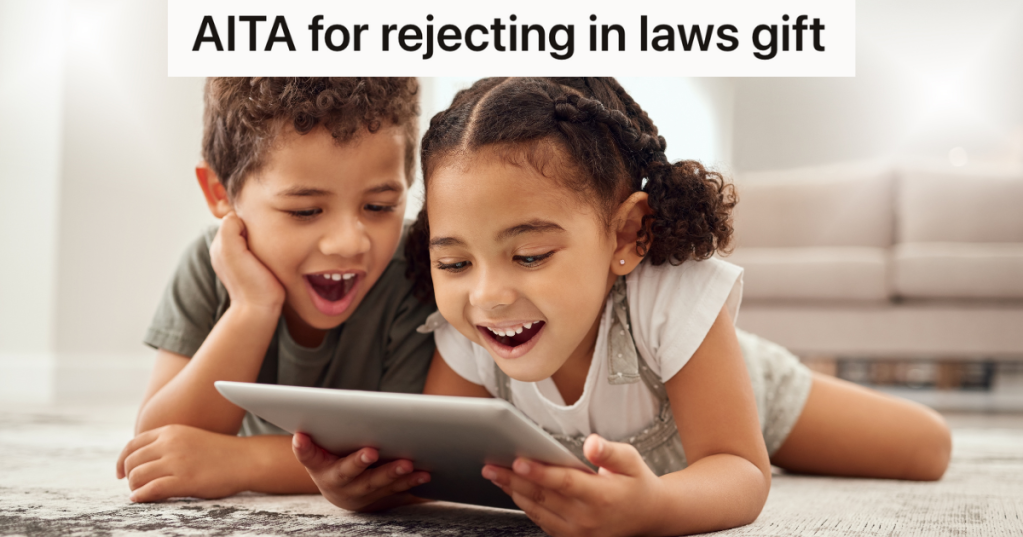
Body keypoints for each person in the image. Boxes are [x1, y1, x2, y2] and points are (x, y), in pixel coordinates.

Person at [298, 77, 953, 536]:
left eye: (530, 255)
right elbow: (437, 463)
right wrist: (367, 488)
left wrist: (655, 508)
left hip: (746, 388)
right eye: (454, 263)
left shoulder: (669, 297)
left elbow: (739, 469)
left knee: (924, 448)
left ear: (624, 236)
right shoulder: (466, 329)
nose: (487, 295)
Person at [115, 77, 433, 508]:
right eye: (305, 211)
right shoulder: (208, 266)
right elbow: (158, 448)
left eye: (379, 207)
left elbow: (410, 456)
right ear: (220, 192)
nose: (349, 242)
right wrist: (252, 307)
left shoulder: (416, 270)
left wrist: (240, 463)